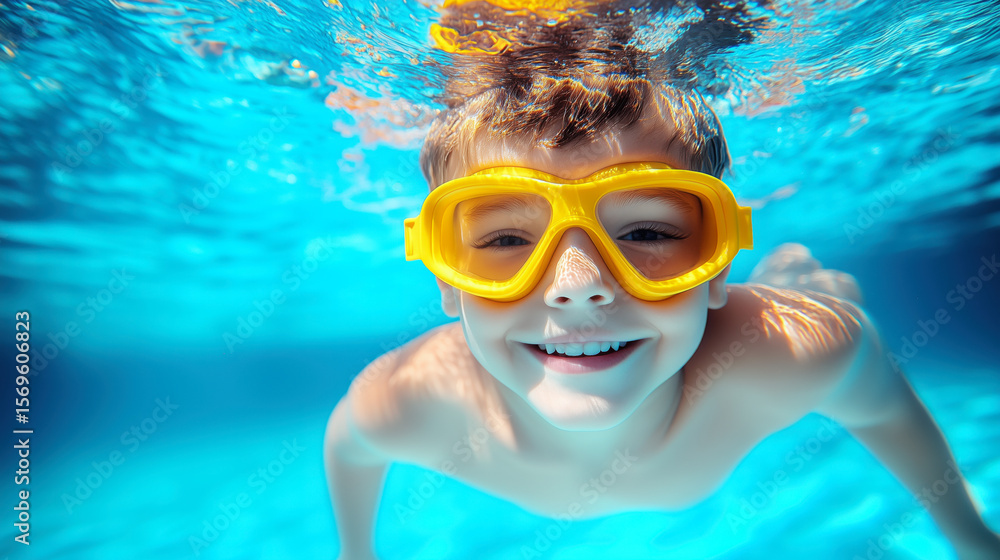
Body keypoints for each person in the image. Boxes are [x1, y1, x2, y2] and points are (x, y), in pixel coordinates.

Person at [324, 5, 1000, 559]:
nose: (577, 286)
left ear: (719, 263)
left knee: (825, 302)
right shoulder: (406, 400)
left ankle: (795, 276)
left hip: (769, 319)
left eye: (646, 232)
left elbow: (883, 407)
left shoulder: (800, 354)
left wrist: (970, 538)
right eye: (505, 241)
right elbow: (348, 449)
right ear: (446, 281)